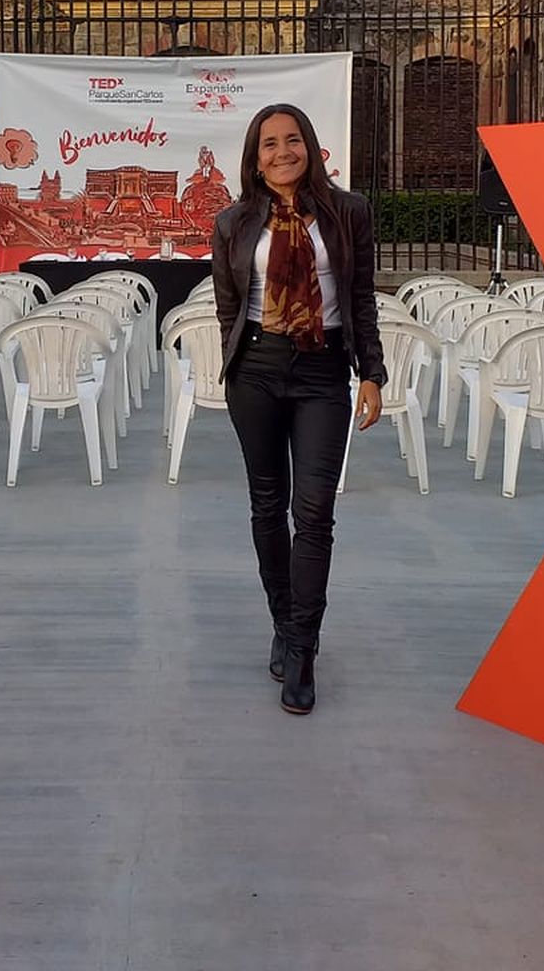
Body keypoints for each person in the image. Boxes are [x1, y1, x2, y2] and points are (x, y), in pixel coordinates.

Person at [211, 104, 386, 715]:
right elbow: (228, 307)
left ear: (309, 146)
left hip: (322, 370)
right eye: (269, 144)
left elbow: (360, 296)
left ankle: (304, 648)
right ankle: (283, 624)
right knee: (267, 506)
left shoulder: (347, 212)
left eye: (292, 140)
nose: (282, 152)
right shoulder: (233, 222)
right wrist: (236, 366)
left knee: (313, 512)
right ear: (255, 159)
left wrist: (372, 372)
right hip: (256, 371)